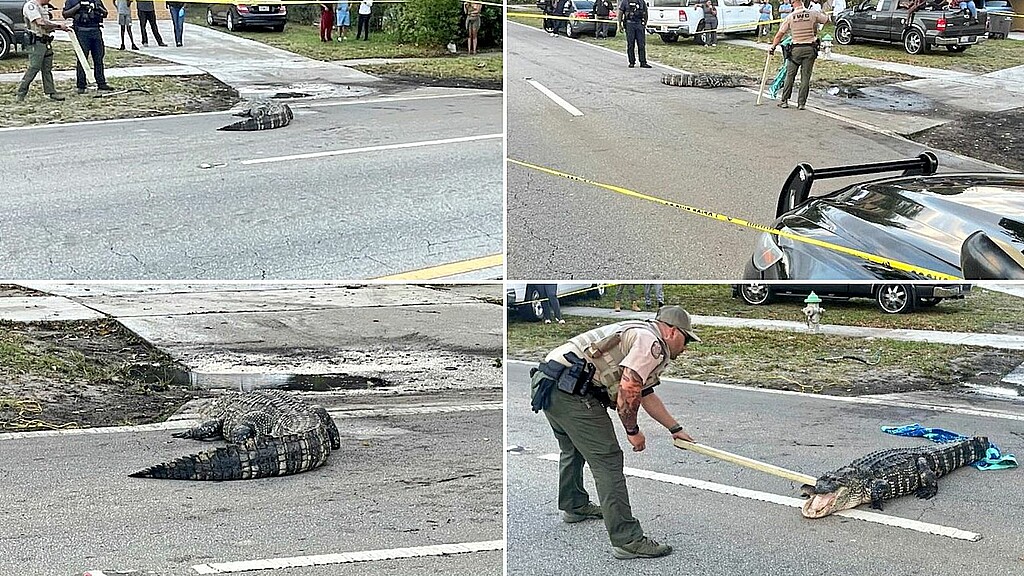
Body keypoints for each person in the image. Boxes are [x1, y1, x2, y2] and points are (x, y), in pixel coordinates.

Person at [529, 306, 700, 559]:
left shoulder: (638, 330)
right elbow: (629, 388)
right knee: (608, 460)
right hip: (571, 392)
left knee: (573, 449)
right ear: (673, 332)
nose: (685, 348)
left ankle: (574, 505)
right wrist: (633, 430)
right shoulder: (651, 342)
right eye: (686, 340)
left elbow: (644, 391)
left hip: (549, 383)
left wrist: (675, 428)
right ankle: (627, 540)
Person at [770, 0, 828, 110]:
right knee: (805, 77)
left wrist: (773, 47)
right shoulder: (813, 13)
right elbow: (826, 20)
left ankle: (784, 101)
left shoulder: (790, 17)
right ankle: (801, 103)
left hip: (795, 50)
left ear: (793, 3)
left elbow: (779, 35)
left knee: (790, 76)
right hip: (810, 49)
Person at [15, 0, 69, 102]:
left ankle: (51, 91)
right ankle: (21, 92)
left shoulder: (43, 7)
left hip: (46, 41)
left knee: (47, 68)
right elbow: (40, 22)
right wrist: (58, 26)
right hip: (36, 42)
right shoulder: (31, 6)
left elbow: (47, 24)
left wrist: (58, 27)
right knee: (34, 67)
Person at [62, 0, 113, 94]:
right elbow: (65, 14)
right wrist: (78, 6)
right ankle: (81, 85)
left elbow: (105, 13)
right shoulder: (72, 0)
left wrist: (97, 7)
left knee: (99, 58)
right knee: (82, 59)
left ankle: (101, 82)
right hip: (81, 31)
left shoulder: (96, 0)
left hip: (96, 30)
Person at [618, 0, 650, 68]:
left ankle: (643, 62)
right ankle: (631, 62)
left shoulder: (641, 2)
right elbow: (620, 12)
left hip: (639, 24)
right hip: (629, 24)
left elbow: (645, 12)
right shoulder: (625, 1)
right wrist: (620, 25)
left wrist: (645, 23)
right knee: (630, 44)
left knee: (641, 44)